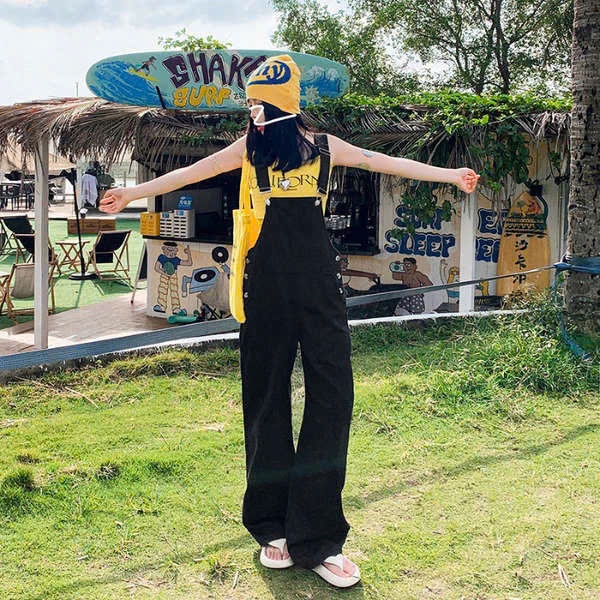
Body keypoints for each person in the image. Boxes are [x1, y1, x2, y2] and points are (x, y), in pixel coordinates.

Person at [100, 54, 480, 588]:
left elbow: (381, 161)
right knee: (265, 395)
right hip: (265, 280)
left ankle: (319, 537)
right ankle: (271, 526)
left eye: (259, 104)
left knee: (333, 393)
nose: (252, 113)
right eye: (250, 104)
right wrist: (132, 193)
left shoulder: (324, 146)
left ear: (284, 105)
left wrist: (450, 175)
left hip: (319, 280)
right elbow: (192, 172)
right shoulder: (249, 148)